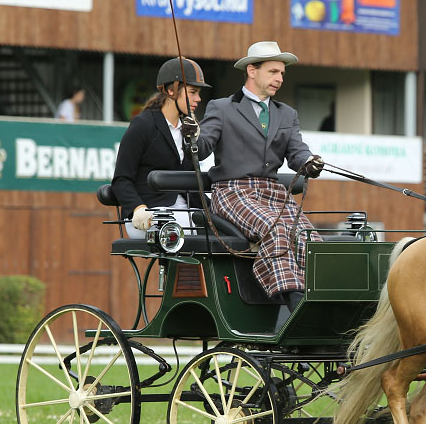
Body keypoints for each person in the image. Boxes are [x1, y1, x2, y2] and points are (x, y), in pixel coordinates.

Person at [185, 41, 325, 307]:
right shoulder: (222, 108)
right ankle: (294, 302)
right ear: (252, 70)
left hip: (272, 194)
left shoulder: (287, 114)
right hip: (233, 192)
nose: (280, 79)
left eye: (282, 73)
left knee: (310, 238)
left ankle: (317, 301)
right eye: (273, 72)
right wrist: (192, 136)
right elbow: (201, 149)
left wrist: (309, 163)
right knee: (276, 229)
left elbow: (297, 153)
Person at [112, 57, 210, 239]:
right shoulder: (143, 125)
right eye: (193, 92)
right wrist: (138, 208)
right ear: (171, 90)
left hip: (185, 209)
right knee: (184, 230)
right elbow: (121, 179)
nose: (198, 98)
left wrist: (195, 140)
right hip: (147, 213)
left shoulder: (189, 129)